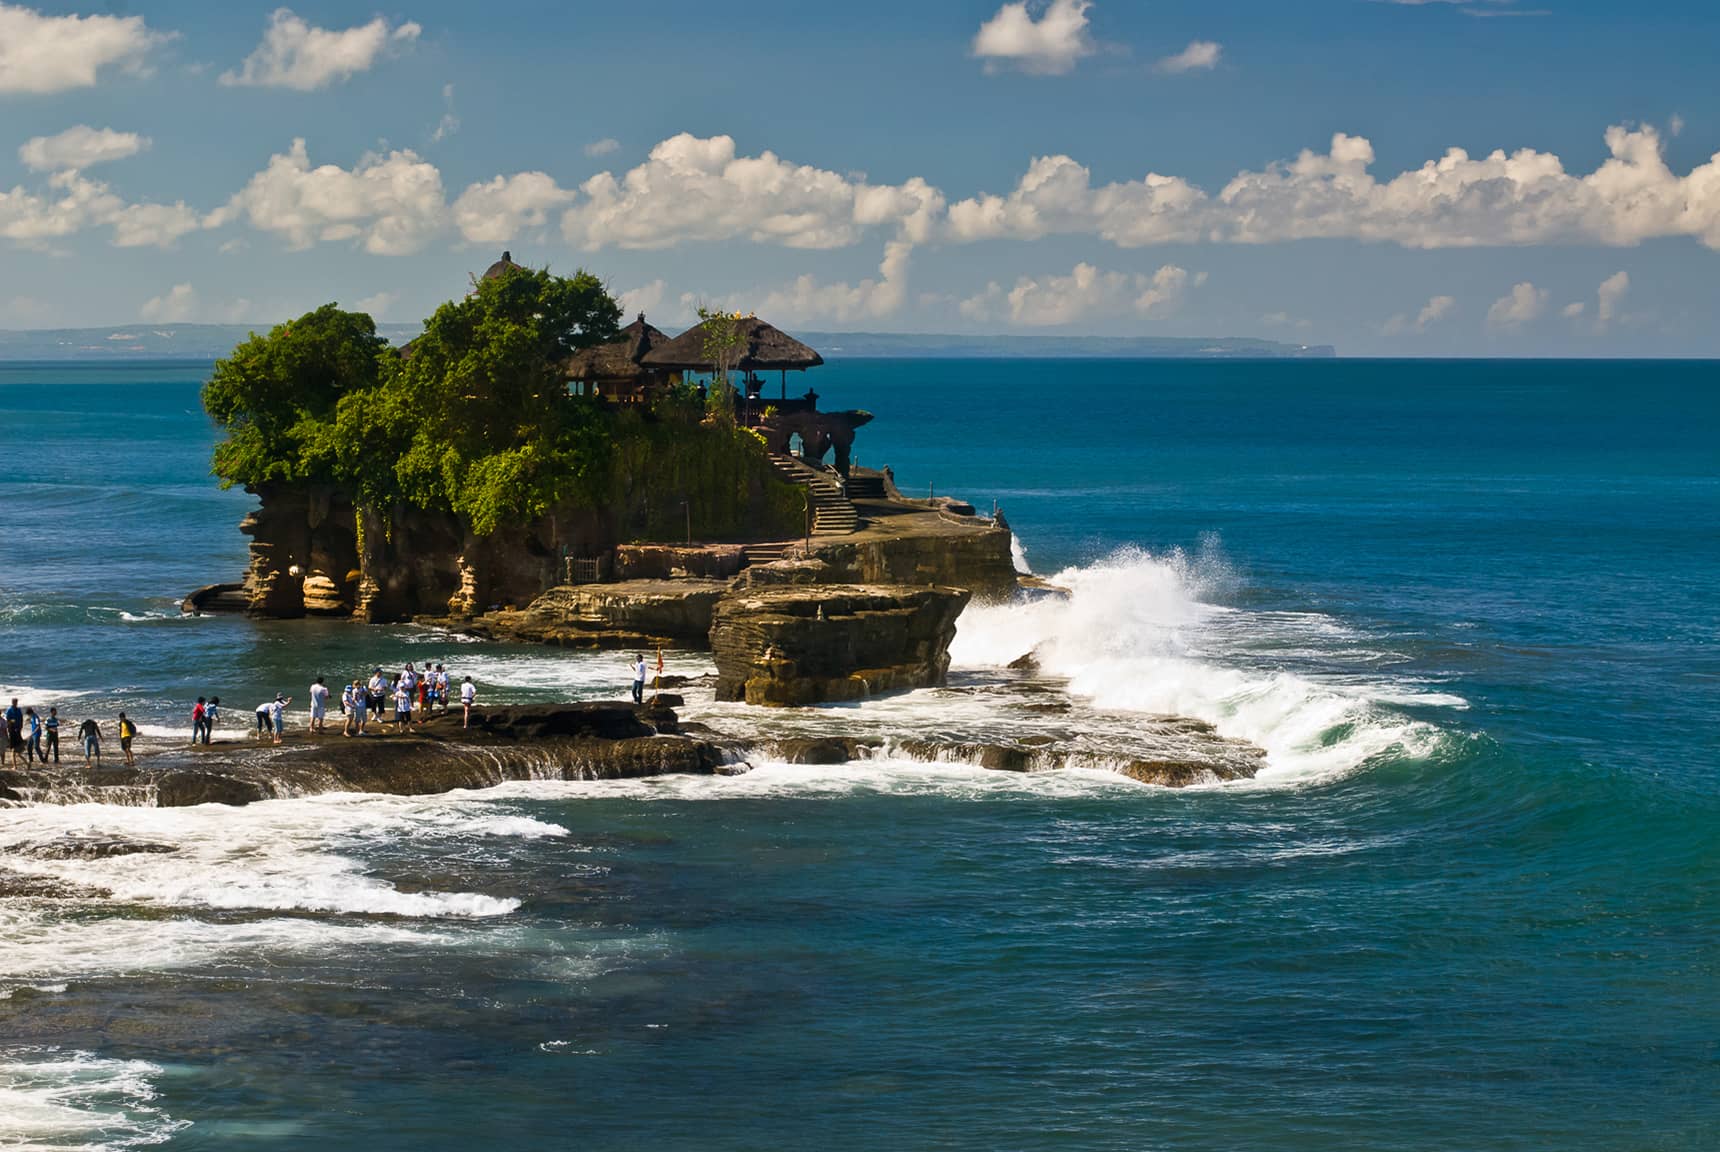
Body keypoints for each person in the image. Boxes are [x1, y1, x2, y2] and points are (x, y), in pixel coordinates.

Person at [5, 698, 22, 768]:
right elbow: (7, 720)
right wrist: (10, 722)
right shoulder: (9, 710)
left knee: (17, 747)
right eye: (14, 702)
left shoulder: (19, 710)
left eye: (16, 702)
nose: (15, 703)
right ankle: (15, 765)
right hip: (12, 730)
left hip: (18, 730)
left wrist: (21, 727)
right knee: (13, 748)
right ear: (12, 702)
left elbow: (21, 719)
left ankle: (16, 765)